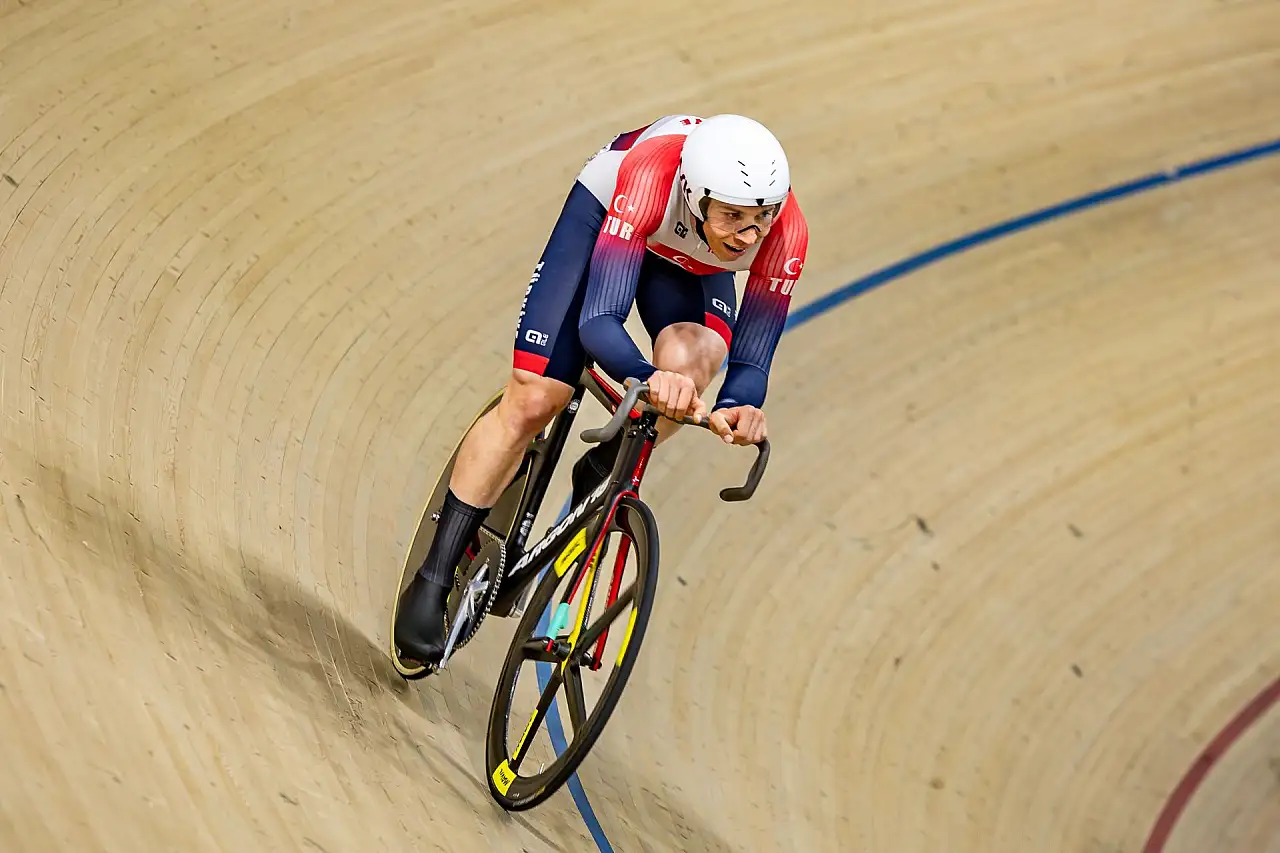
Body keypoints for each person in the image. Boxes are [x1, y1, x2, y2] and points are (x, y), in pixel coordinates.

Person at [395, 113, 809, 665]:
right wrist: (644, 374)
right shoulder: (647, 180)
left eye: (761, 217)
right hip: (608, 221)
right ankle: (435, 571)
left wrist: (740, 407)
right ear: (695, 195)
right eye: (733, 216)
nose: (749, 235)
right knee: (536, 398)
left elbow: (753, 357)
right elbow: (600, 320)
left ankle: (608, 464)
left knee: (697, 360)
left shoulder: (783, 235)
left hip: (688, 264)